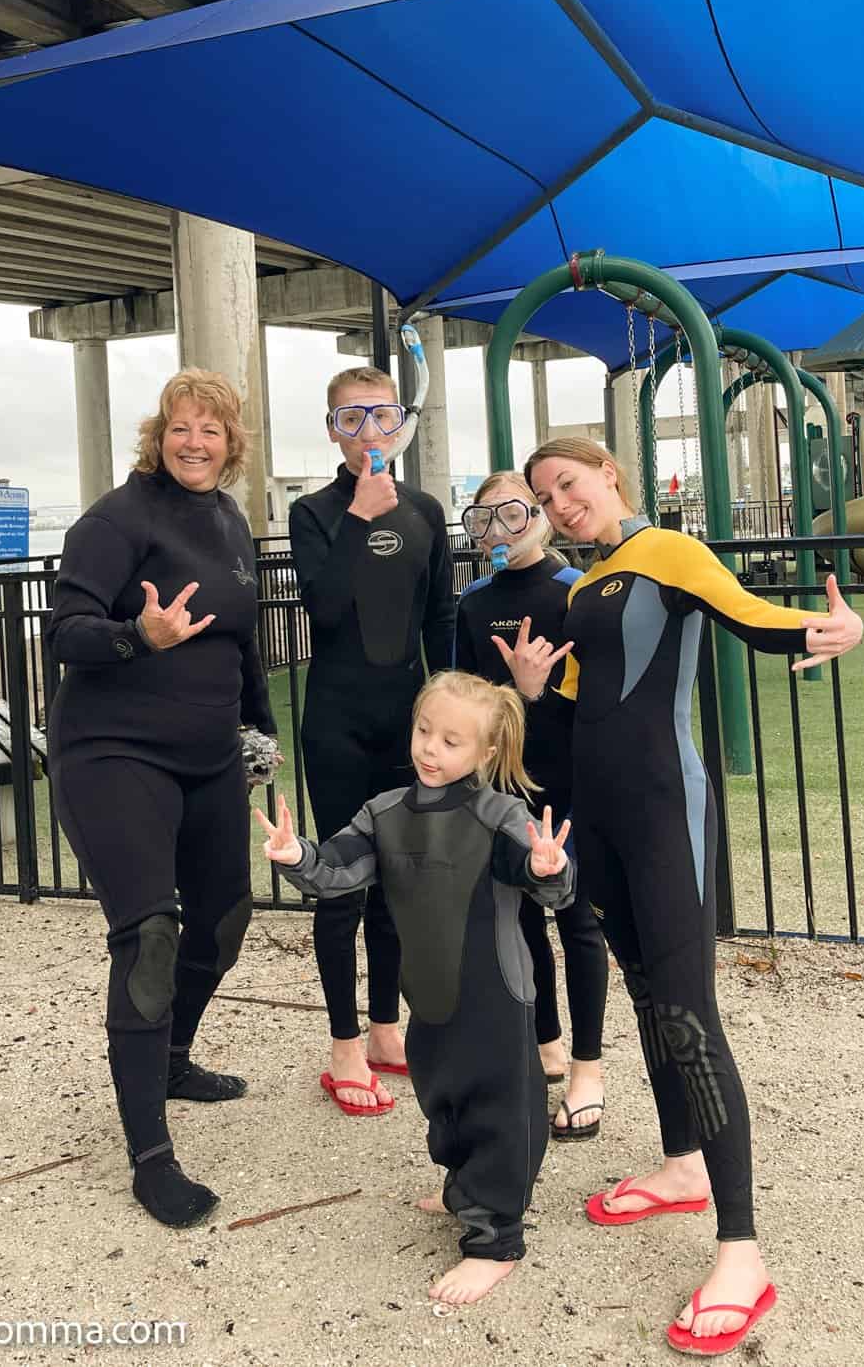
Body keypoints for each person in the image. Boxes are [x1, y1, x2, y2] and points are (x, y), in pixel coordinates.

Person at [497, 437, 864, 1357]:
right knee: (652, 1001)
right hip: (605, 828)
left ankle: (742, 1251)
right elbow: (583, 709)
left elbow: (746, 615)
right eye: (546, 496)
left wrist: (827, 629)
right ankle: (680, 1164)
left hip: (667, 816)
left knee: (690, 1012)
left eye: (569, 485)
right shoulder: (583, 590)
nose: (561, 504)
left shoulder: (665, 550)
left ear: (609, 475)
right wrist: (536, 690)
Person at [255, 670, 574, 1306]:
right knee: (441, 1089)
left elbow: (550, 888)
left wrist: (551, 866)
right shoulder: (386, 813)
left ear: (485, 752)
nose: (431, 749)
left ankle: (495, 1239)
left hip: (495, 995)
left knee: (499, 1105)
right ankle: (464, 1186)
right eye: (425, 731)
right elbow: (337, 873)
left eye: (452, 741)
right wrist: (297, 858)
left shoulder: (499, 815)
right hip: (427, 996)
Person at [46, 369, 277, 1230]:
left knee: (225, 919)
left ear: (231, 443)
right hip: (112, 752)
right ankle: (150, 1154)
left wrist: (259, 728)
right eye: (182, 428)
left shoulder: (227, 521)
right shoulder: (116, 519)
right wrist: (136, 635)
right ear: (159, 433)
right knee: (149, 934)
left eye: (212, 431)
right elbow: (63, 631)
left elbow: (240, 640)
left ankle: (171, 1054)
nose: (195, 442)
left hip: (208, 752)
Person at [288, 365, 455, 1114]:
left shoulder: (424, 510)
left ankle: (388, 1028)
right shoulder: (315, 512)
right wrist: (358, 515)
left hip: (405, 720)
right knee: (340, 883)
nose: (367, 433)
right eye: (349, 419)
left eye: (380, 417)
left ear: (399, 424)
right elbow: (321, 611)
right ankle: (343, 1045)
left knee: (397, 882)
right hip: (335, 720)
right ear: (332, 429)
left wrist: (450, 716)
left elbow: (440, 619)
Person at [453, 470, 609, 1141]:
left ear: (541, 515)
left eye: (514, 513)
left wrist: (535, 691)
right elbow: (464, 698)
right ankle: (545, 1042)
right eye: (484, 519)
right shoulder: (474, 601)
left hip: (568, 785)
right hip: (499, 791)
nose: (499, 530)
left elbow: (601, 696)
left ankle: (587, 1068)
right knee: (515, 922)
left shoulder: (576, 592)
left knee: (576, 921)